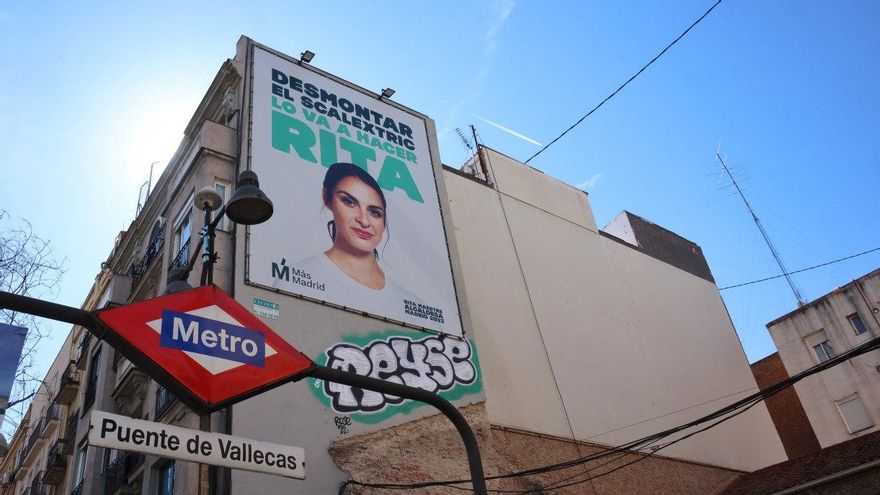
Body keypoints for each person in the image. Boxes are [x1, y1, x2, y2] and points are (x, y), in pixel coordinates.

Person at [295, 163, 420, 309]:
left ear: (384, 221)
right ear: (327, 198)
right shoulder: (299, 277)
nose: (364, 221)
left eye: (374, 212)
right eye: (349, 202)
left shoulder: (411, 305)